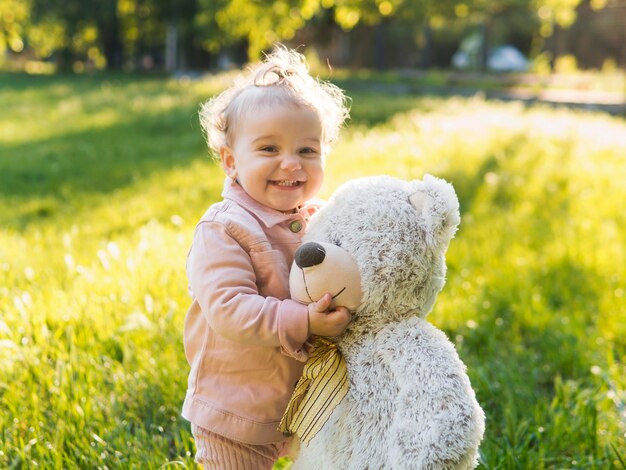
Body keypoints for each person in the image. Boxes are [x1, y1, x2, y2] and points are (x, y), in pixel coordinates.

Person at [182, 46, 352, 469]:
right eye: (269, 149)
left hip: (303, 407)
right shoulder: (225, 228)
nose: (290, 163)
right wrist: (305, 320)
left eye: (307, 150)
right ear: (231, 162)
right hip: (236, 411)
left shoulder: (323, 220)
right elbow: (228, 310)